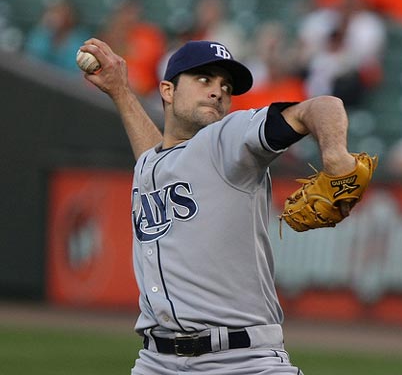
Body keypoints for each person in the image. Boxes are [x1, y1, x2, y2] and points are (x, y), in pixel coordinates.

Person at [78, 37, 357, 374]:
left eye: (226, 86)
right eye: (204, 79)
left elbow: (321, 106)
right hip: (156, 361)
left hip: (242, 360)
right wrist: (120, 92)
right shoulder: (154, 164)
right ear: (167, 91)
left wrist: (336, 157)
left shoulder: (231, 138)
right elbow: (158, 158)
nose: (218, 91)